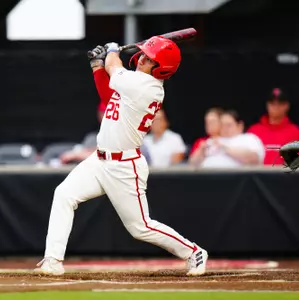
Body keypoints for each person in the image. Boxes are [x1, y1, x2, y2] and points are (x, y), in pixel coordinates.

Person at [34, 37, 208, 276]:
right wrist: (98, 65)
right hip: (99, 160)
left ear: (161, 68)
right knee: (63, 194)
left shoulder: (146, 86)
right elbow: (108, 97)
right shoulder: (135, 83)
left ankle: (193, 251)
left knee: (140, 227)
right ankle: (53, 260)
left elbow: (114, 68)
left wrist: (112, 51)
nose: (143, 58)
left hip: (125, 166)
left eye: (150, 59)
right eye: (145, 54)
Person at [247, 88, 299, 165]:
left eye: (280, 103)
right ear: (267, 105)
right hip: (257, 176)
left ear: (287, 106)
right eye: (272, 103)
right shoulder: (253, 131)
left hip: (285, 176)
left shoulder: (296, 132)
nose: (276, 106)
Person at [190, 110, 265, 168]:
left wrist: (225, 148)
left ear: (240, 126)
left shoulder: (249, 138)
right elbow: (192, 164)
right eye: (222, 125)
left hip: (236, 181)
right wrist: (201, 151)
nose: (225, 129)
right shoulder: (212, 141)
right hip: (207, 179)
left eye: (228, 125)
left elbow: (254, 159)